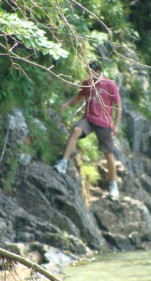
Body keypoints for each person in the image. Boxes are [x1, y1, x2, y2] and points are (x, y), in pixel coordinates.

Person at [54, 61, 122, 198]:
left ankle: (113, 185)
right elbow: (79, 97)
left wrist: (116, 124)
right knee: (76, 130)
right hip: (89, 119)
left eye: (91, 73)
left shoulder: (110, 85)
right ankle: (63, 162)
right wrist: (67, 104)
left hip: (104, 122)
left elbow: (118, 105)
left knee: (108, 153)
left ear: (98, 71)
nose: (90, 76)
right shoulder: (87, 83)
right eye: (88, 73)